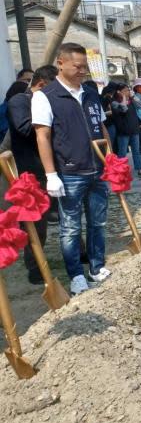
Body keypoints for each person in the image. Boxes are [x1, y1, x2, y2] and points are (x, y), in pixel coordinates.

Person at [32, 43, 112, 296]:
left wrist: (110, 158)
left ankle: (96, 267)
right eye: (77, 66)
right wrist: (51, 175)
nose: (82, 71)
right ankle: (76, 275)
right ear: (61, 63)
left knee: (98, 222)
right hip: (69, 173)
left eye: (85, 67)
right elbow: (42, 136)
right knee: (70, 228)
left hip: (97, 169)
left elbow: (102, 127)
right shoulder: (46, 96)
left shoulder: (90, 93)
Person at [7, 66, 56, 284]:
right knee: (35, 223)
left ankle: (77, 253)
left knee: (62, 214)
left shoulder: (47, 101)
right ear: (43, 85)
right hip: (29, 173)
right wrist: (50, 123)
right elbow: (26, 129)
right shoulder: (20, 101)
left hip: (51, 169)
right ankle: (35, 267)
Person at [111, 84, 141, 178]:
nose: (128, 92)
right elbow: (124, 109)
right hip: (123, 132)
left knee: (137, 151)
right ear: (119, 92)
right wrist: (123, 98)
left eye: (128, 90)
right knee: (122, 152)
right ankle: (121, 171)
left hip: (134, 130)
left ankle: (140, 169)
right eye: (126, 90)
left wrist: (133, 96)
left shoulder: (132, 100)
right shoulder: (115, 103)